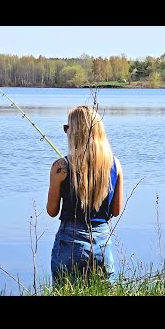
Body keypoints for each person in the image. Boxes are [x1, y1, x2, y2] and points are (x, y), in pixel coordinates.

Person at [46, 105, 123, 286]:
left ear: (76, 133)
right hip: (102, 242)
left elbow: (52, 211)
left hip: (69, 241)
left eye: (67, 128)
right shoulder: (115, 165)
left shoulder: (60, 167)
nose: (66, 133)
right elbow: (116, 210)